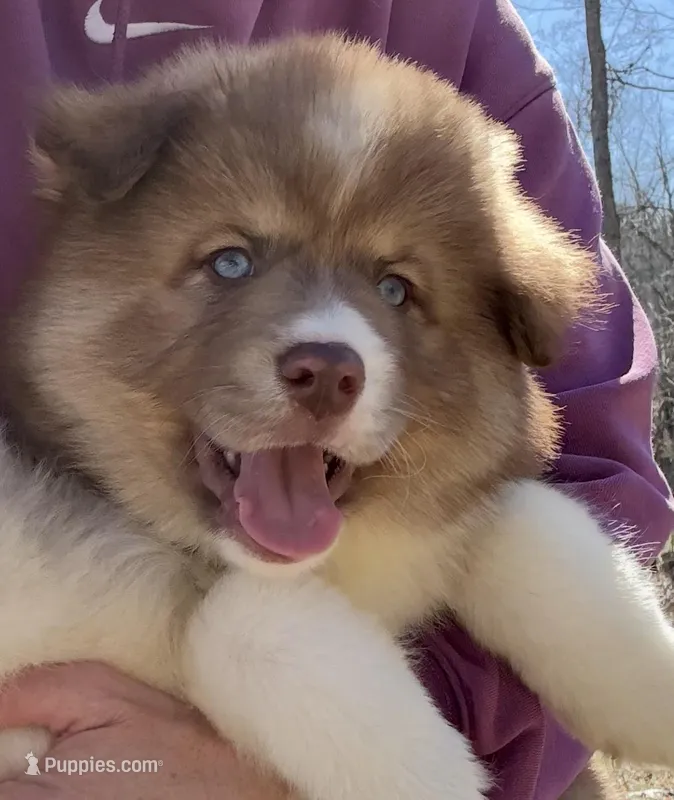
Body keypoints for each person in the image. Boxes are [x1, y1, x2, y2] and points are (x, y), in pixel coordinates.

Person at [0, 1, 672, 798]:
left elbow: (587, 443)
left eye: (396, 288)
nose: (324, 350)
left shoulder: (454, 31)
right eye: (231, 263)